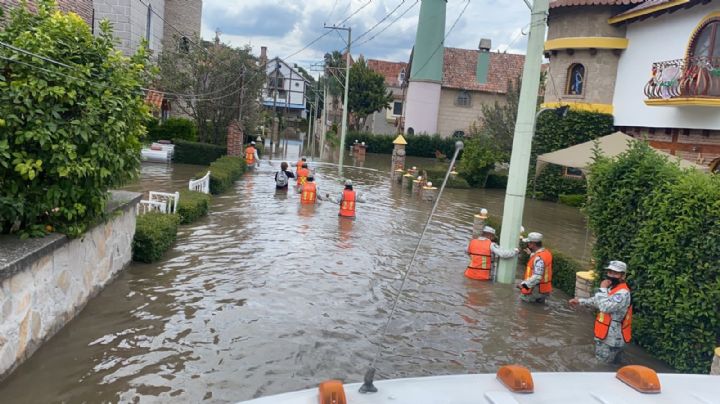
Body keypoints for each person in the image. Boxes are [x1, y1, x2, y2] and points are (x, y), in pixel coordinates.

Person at [569, 260, 632, 364]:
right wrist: (580, 301)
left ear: (623, 276)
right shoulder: (613, 289)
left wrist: (602, 289)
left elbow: (605, 307)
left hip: (610, 340)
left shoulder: (622, 293)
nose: (611, 275)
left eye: (615, 273)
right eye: (610, 272)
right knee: (613, 366)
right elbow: (598, 301)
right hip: (608, 336)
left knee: (601, 366)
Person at [516, 232, 553, 303]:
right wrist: (532, 254)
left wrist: (523, 285)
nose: (528, 244)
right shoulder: (546, 253)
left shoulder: (539, 258)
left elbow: (537, 276)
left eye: (529, 242)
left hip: (534, 290)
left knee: (524, 308)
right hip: (543, 289)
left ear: (533, 244)